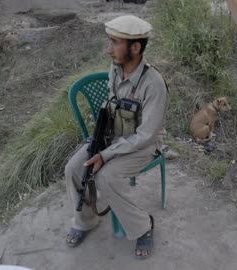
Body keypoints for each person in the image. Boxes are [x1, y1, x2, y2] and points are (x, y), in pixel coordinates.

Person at [64, 14, 168, 260]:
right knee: (73, 168)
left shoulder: (154, 84)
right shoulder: (115, 69)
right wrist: (99, 142)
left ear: (135, 47)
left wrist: (106, 154)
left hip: (142, 145)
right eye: (108, 41)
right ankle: (85, 221)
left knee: (106, 176)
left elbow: (145, 135)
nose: (108, 49)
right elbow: (111, 105)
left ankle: (143, 226)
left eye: (114, 42)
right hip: (113, 137)